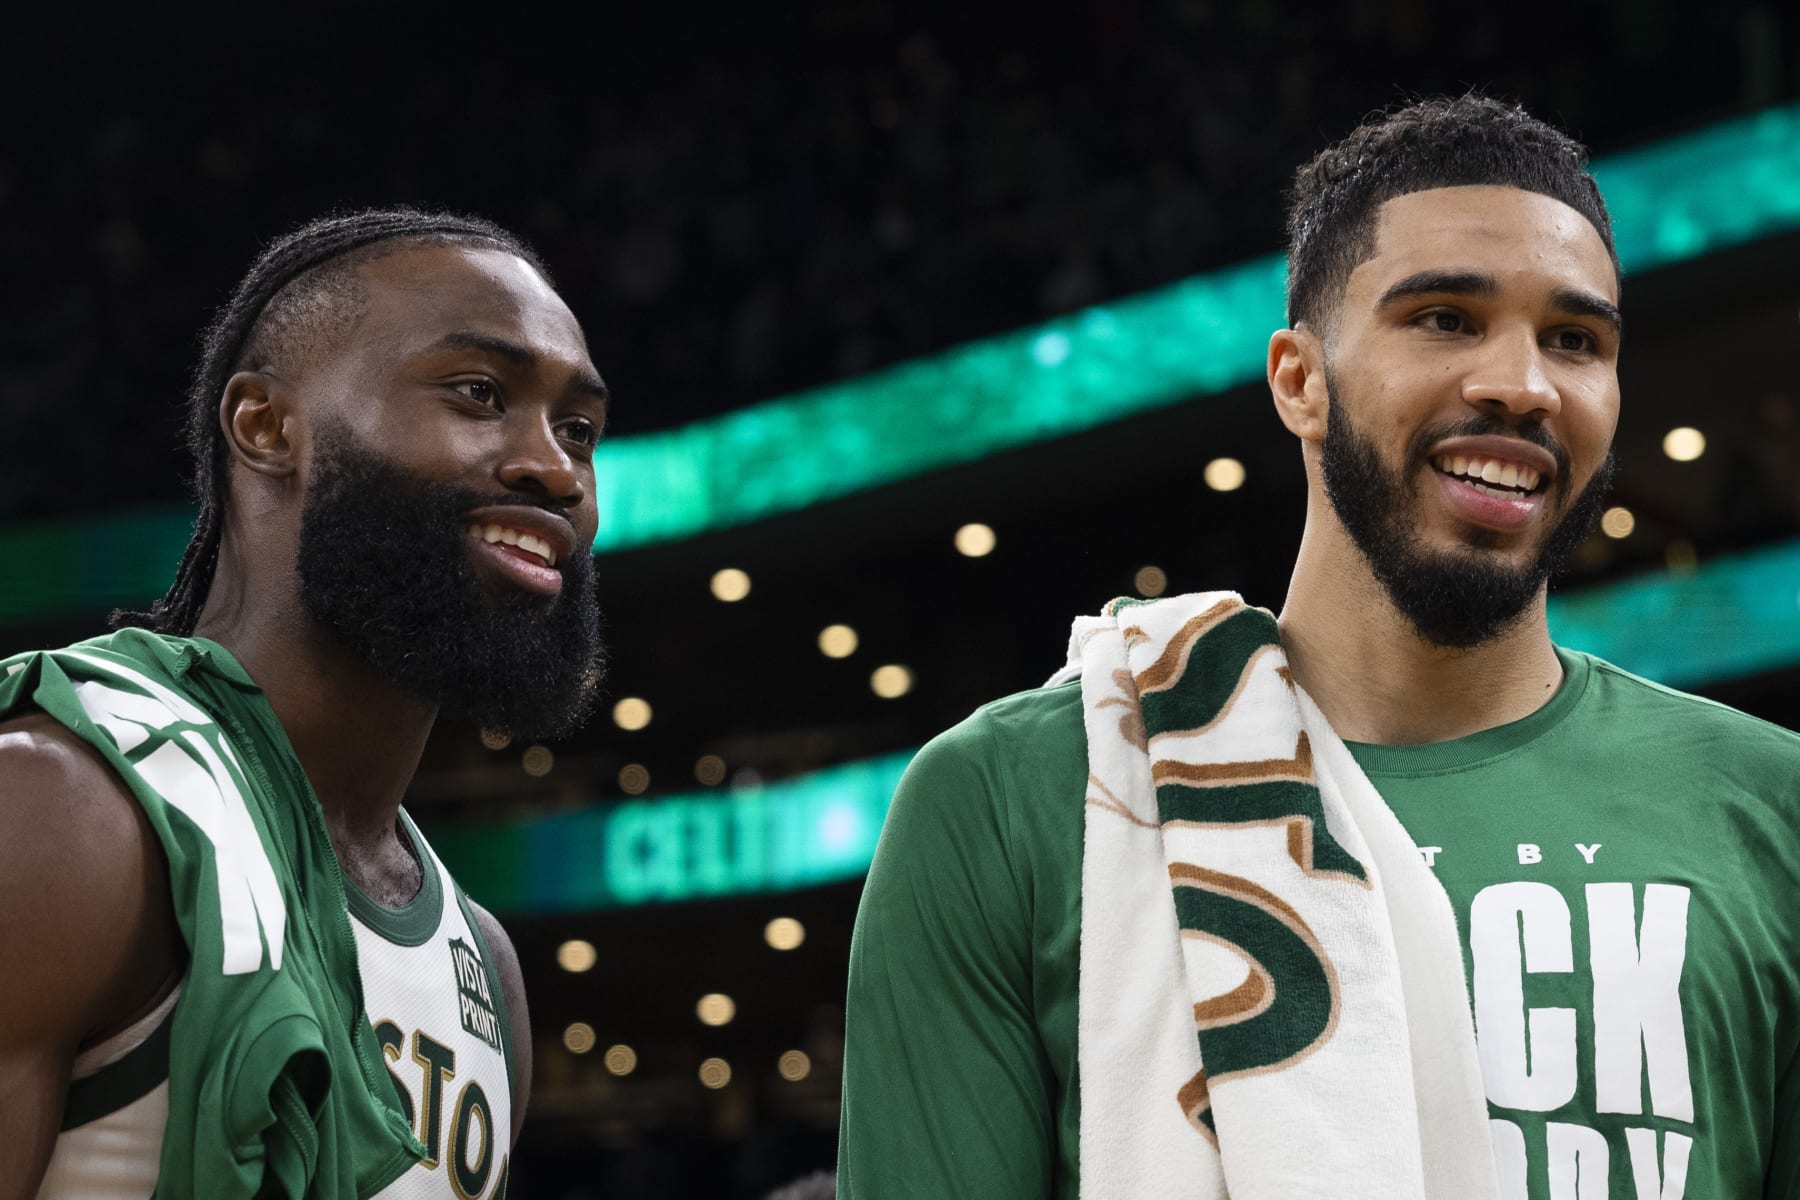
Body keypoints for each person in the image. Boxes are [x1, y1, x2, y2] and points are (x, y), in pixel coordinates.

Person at [838, 96, 1800, 1199]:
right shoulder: (1015, 798)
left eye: (1575, 340)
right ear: (1299, 380)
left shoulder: (1774, 813)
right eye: (1444, 317)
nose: (1522, 384)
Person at [0, 208, 611, 1198]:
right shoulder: (64, 811)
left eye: (578, 430)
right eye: (478, 392)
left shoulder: (485, 969)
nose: (553, 468)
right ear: (266, 426)